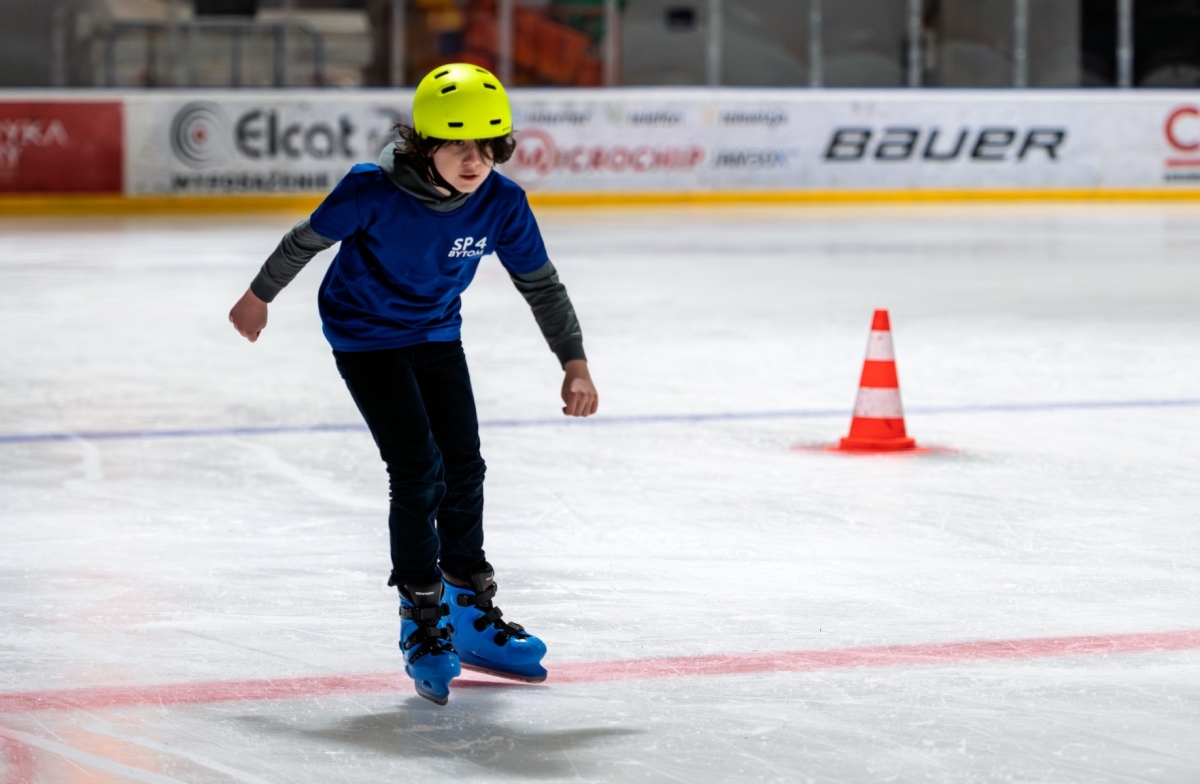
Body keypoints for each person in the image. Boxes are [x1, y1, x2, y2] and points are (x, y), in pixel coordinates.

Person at [228, 63, 598, 705]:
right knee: (418, 470)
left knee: (465, 467)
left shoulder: (502, 203)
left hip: (434, 333)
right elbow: (304, 241)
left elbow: (540, 283)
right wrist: (258, 296)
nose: (473, 160)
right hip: (364, 334)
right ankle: (421, 621)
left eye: (486, 146)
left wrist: (574, 360)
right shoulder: (370, 190)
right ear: (425, 145)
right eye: (458, 145)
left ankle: (469, 611)